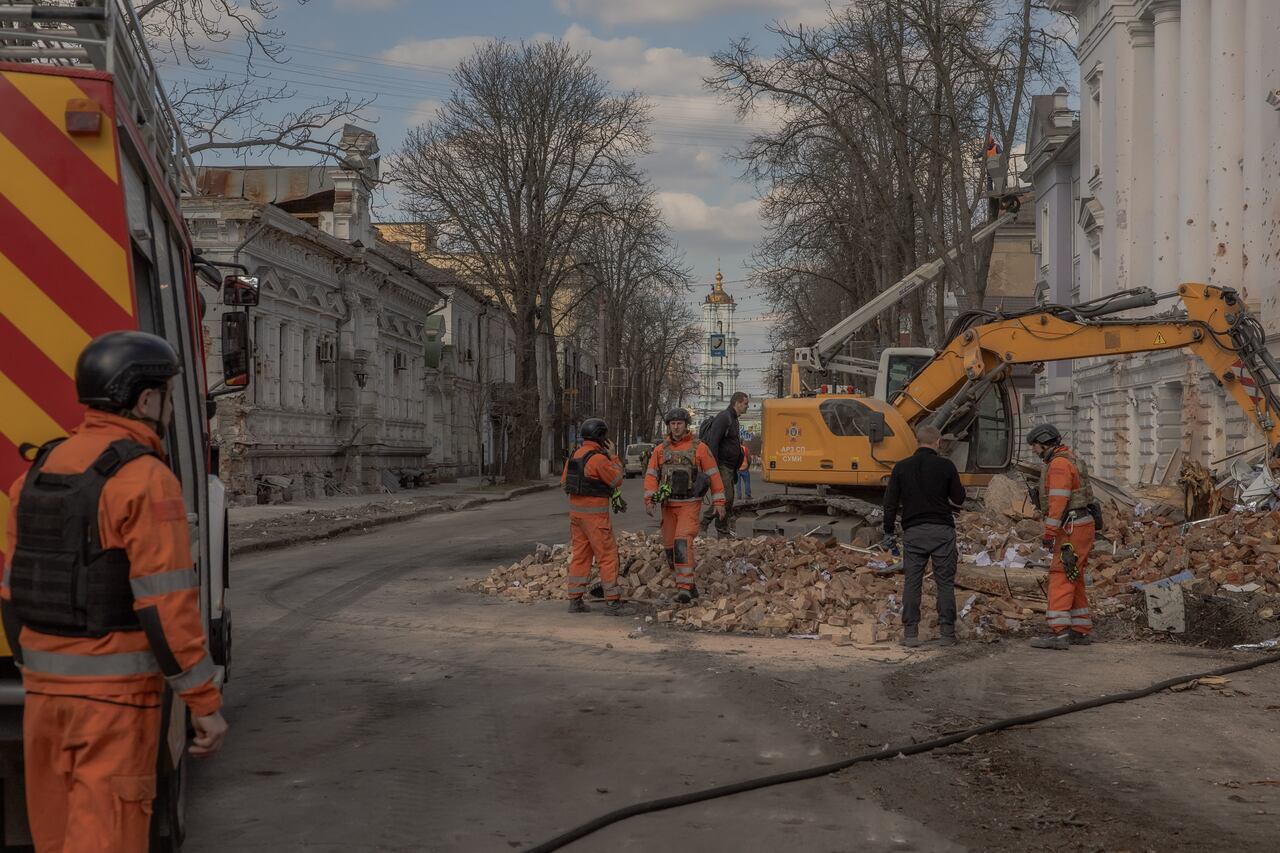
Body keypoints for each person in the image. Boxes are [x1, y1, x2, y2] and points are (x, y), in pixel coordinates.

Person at [1, 331, 227, 852]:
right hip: (114, 707)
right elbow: (166, 606)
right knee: (108, 836)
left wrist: (39, 671)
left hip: (43, 700)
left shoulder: (40, 470)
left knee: (56, 837)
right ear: (146, 398)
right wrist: (203, 702)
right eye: (169, 394)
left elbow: (12, 594)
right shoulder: (144, 479)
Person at [882, 424, 965, 648]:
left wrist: (888, 532)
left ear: (917, 442)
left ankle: (910, 634)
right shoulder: (946, 465)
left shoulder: (901, 468)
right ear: (937, 442)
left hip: (914, 533)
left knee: (912, 582)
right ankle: (947, 633)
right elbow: (959, 498)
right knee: (945, 583)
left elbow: (889, 504)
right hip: (942, 532)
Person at [644, 409, 725, 604]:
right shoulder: (660, 450)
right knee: (670, 548)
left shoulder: (699, 448)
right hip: (668, 505)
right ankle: (688, 585)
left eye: (679, 423)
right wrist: (649, 499)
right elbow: (651, 475)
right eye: (673, 424)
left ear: (686, 425)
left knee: (682, 542)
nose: (676, 427)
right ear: (669, 426)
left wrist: (719, 502)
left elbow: (714, 475)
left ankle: (685, 588)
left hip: (689, 504)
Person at [1026, 423, 1096, 650]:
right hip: (1081, 524)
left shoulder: (1058, 465)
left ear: (1044, 442)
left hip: (1070, 528)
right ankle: (1079, 628)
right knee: (1073, 573)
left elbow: (1058, 502)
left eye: (1034, 446)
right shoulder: (1070, 459)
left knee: (1061, 574)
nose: (1033, 451)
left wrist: (1048, 534)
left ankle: (1059, 632)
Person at [561, 417, 631, 616]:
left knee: (581, 556)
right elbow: (617, 480)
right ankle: (612, 602)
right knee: (607, 556)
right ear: (600, 437)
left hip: (576, 517)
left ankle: (575, 600)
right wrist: (614, 457)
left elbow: (564, 482)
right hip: (596, 519)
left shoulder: (575, 455)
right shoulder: (599, 459)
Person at [699, 391, 749, 538]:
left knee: (729, 500)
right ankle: (705, 522)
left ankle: (722, 531)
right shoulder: (724, 417)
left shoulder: (733, 419)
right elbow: (714, 442)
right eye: (745, 403)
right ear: (737, 403)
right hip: (720, 466)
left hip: (729, 467)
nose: (747, 407)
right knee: (725, 498)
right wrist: (712, 468)